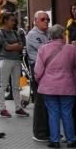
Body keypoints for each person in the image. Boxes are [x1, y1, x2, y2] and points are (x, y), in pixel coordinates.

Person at [35, 24, 76, 149]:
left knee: (53, 113)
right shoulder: (71, 49)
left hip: (48, 86)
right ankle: (71, 140)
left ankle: (54, 140)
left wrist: (40, 81)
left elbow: (38, 70)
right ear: (63, 35)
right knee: (67, 113)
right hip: (67, 86)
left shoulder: (43, 49)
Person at [0, 12, 28, 118]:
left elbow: (21, 45)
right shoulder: (0, 32)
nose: (14, 22)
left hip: (16, 60)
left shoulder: (15, 32)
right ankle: (2, 108)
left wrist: (12, 46)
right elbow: (7, 47)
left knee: (16, 85)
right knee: (3, 85)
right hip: (5, 60)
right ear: (5, 20)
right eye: (11, 20)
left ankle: (18, 108)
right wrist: (15, 46)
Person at [27, 11, 51, 141]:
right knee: (40, 101)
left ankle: (48, 131)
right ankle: (39, 133)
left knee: (48, 101)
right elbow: (46, 51)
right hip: (37, 69)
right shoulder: (32, 35)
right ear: (35, 21)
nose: (46, 21)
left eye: (47, 19)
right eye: (43, 19)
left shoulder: (48, 34)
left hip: (48, 70)